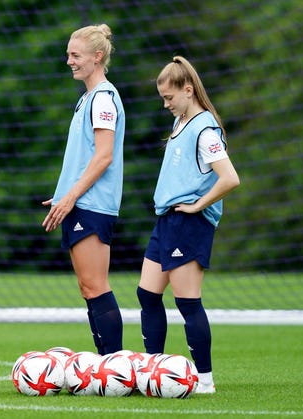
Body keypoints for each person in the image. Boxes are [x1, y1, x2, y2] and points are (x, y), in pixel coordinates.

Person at [137, 56, 240, 394]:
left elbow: (230, 178)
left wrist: (198, 205)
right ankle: (153, 371)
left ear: (188, 90)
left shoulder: (204, 129)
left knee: (187, 302)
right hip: (167, 219)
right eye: (162, 99)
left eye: (169, 98)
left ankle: (206, 380)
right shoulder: (181, 122)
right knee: (147, 294)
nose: (165, 105)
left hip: (188, 223)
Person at [42, 24, 125, 355]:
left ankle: (113, 364)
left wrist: (71, 197)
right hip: (80, 202)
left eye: (75, 55)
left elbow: (103, 157)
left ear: (98, 56)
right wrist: (63, 192)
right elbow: (83, 158)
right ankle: (108, 364)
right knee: (88, 287)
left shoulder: (103, 98)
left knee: (95, 285)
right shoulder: (87, 99)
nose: (69, 62)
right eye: (68, 55)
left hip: (92, 204)